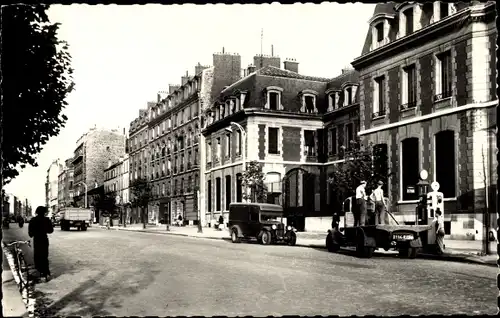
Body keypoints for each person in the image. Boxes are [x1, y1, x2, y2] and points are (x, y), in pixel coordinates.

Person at [28, 206, 54, 282]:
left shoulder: (33, 220)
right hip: (44, 239)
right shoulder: (47, 220)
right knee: (44, 256)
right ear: (44, 212)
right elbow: (50, 231)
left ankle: (39, 272)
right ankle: (45, 273)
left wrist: (35, 232)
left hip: (37, 240)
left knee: (37, 256)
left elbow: (30, 234)